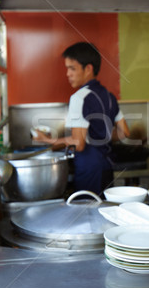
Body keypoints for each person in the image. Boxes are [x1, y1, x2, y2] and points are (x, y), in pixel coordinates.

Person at [34, 42, 129, 196]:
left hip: (89, 167)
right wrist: (100, 137)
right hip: (107, 166)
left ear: (88, 69)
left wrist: (48, 140)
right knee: (104, 210)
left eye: (72, 68)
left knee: (87, 214)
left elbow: (78, 144)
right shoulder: (110, 96)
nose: (68, 74)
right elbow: (124, 132)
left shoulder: (79, 98)